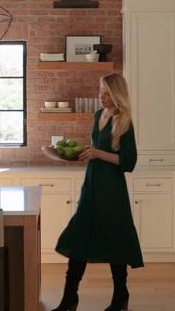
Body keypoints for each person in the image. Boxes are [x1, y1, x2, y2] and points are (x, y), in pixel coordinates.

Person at [52, 73, 144, 311]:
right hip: (91, 185)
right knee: (79, 237)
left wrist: (97, 154)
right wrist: (83, 153)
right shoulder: (97, 116)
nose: (101, 97)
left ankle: (120, 297)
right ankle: (70, 298)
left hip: (112, 191)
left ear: (117, 94)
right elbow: (96, 148)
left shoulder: (124, 121)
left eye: (106, 93)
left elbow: (129, 162)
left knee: (116, 241)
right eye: (100, 91)